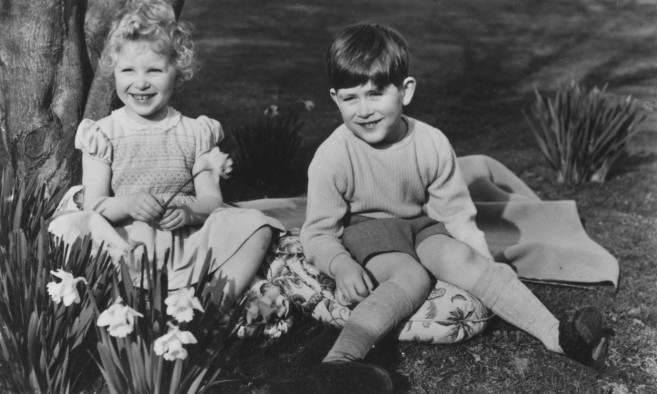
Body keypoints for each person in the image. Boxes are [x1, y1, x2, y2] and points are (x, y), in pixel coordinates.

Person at [295, 23, 614, 393]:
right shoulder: (333, 156)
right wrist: (341, 264)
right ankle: (339, 363)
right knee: (410, 278)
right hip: (369, 228)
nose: (364, 110)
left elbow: (456, 213)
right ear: (335, 99)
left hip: (422, 223)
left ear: (405, 91)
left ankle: (558, 335)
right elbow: (318, 231)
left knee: (463, 259)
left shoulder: (431, 143)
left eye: (376, 94)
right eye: (350, 99)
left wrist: (479, 259)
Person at [71, 0, 284, 314]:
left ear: (178, 71)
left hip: (183, 241)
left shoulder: (196, 132)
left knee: (256, 225)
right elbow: (94, 203)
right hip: (128, 241)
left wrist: (190, 212)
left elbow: (212, 200)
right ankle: (128, 306)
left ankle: (209, 309)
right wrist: (128, 204)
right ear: (113, 71)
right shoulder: (103, 133)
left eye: (154, 70)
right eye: (128, 70)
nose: (140, 82)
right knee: (73, 229)